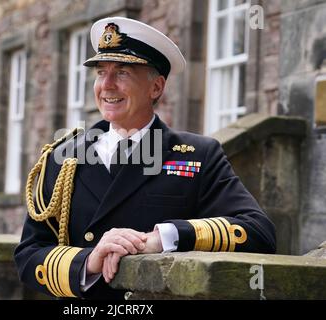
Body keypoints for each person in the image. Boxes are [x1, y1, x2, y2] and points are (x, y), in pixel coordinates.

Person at [14, 17, 276, 300]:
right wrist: (88, 261)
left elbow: (259, 232)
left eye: (123, 72)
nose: (108, 85)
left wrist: (162, 238)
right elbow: (29, 254)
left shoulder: (198, 156)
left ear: (156, 87)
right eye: (101, 72)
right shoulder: (64, 157)